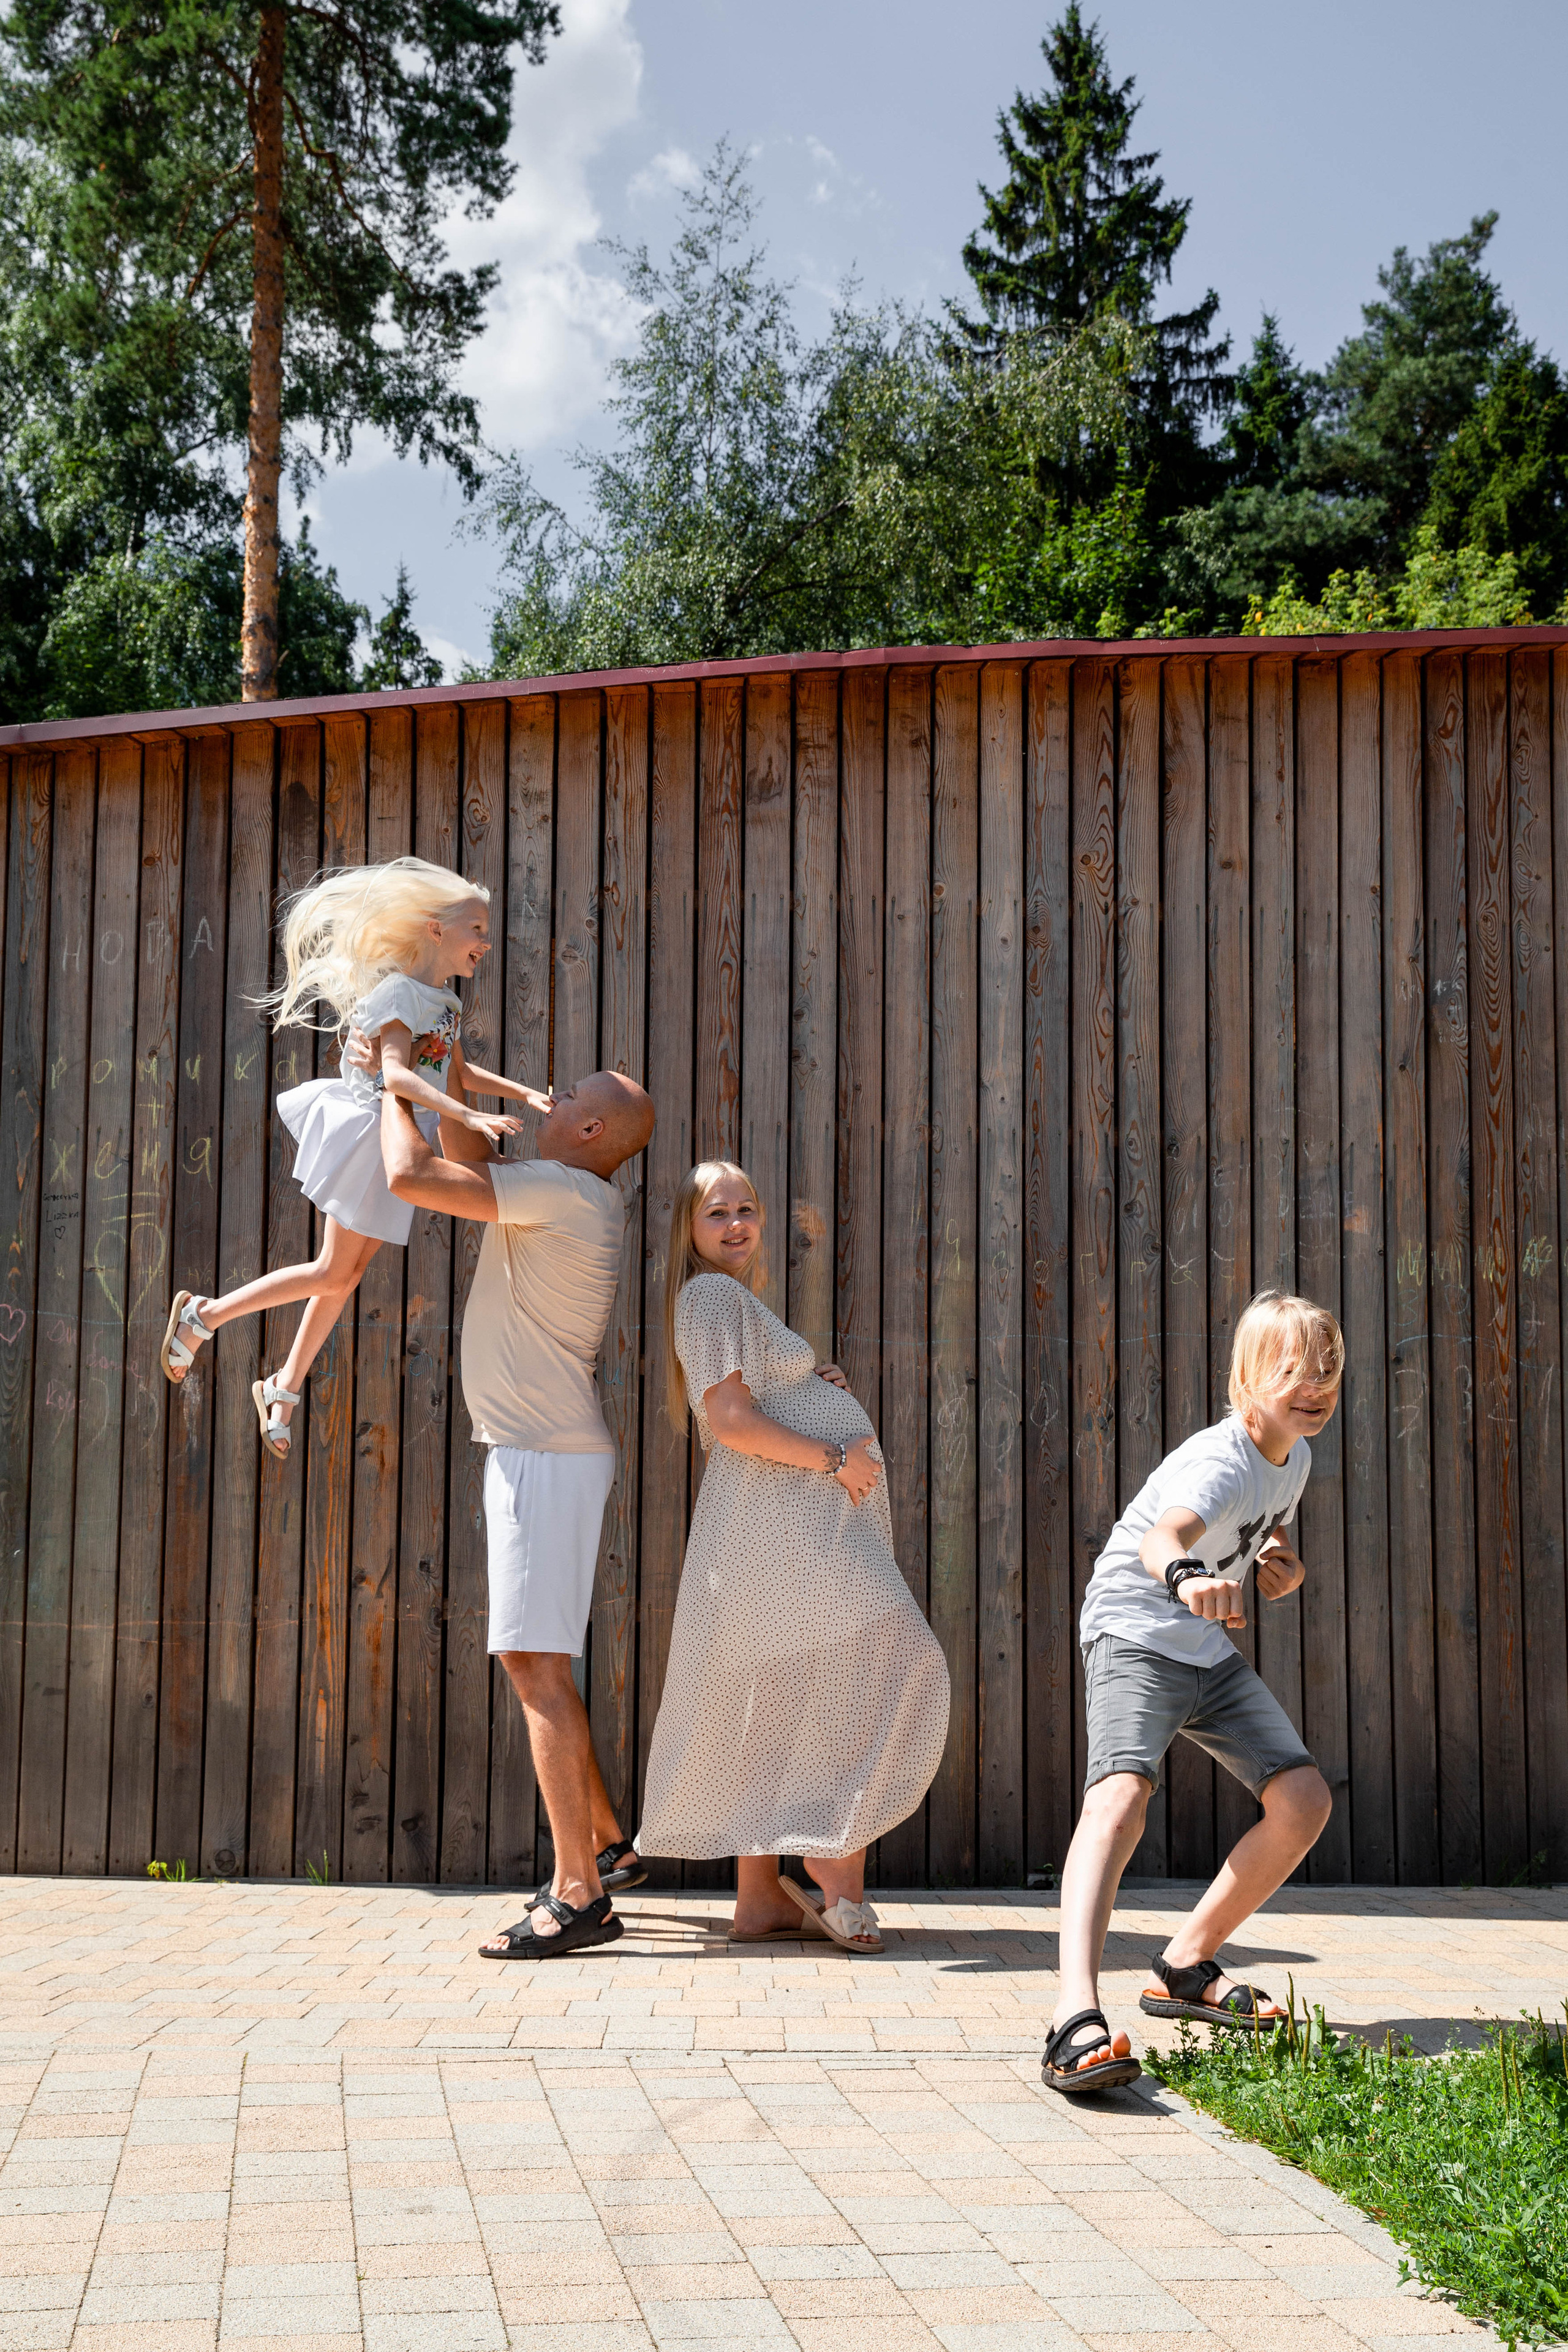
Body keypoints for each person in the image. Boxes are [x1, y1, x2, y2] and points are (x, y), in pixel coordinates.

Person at [371, 1064, 656, 1959]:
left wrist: (393, 1082)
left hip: (543, 1458)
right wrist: (447, 1074)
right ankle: (607, 1845)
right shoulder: (566, 1191)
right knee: (541, 1662)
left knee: (534, 1667)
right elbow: (462, 1161)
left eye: (568, 1096)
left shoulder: (562, 1194)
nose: (549, 1096)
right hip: (540, 1452)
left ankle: (581, 1895)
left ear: (588, 1135)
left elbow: (413, 1177)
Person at [636, 1160, 949, 1953]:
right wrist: (833, 1457)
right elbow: (734, 1421)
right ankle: (835, 1868)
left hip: (779, 1531)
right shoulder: (708, 1295)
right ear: (687, 1227)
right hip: (784, 1531)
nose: (736, 1223)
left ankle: (758, 1902)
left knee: (775, 1706)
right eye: (716, 1212)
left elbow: (753, 1399)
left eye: (748, 1208)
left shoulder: (729, 1300)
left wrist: (813, 1383)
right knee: (888, 1665)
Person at [1041, 1289, 1341, 2098]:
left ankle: (1183, 1965)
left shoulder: (1297, 1455)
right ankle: (1074, 2016)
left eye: (1328, 1370)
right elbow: (1162, 1536)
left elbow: (1261, 1525)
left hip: (1203, 1649)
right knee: (1121, 1796)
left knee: (1305, 1800)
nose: (1314, 1386)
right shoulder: (1217, 1457)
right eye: (1293, 1371)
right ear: (1249, 1378)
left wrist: (1283, 1564)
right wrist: (1187, 1576)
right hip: (1137, 1630)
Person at [159, 856, 542, 1457]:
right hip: (368, 1131)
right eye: (477, 929)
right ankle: (205, 1316)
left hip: (395, 1140)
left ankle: (281, 1386)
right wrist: (466, 1116)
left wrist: (522, 1094)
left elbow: (454, 1068)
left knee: (345, 1273)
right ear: (435, 929)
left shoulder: (444, 1002)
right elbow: (395, 1074)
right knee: (332, 1271)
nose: (486, 943)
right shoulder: (398, 993)